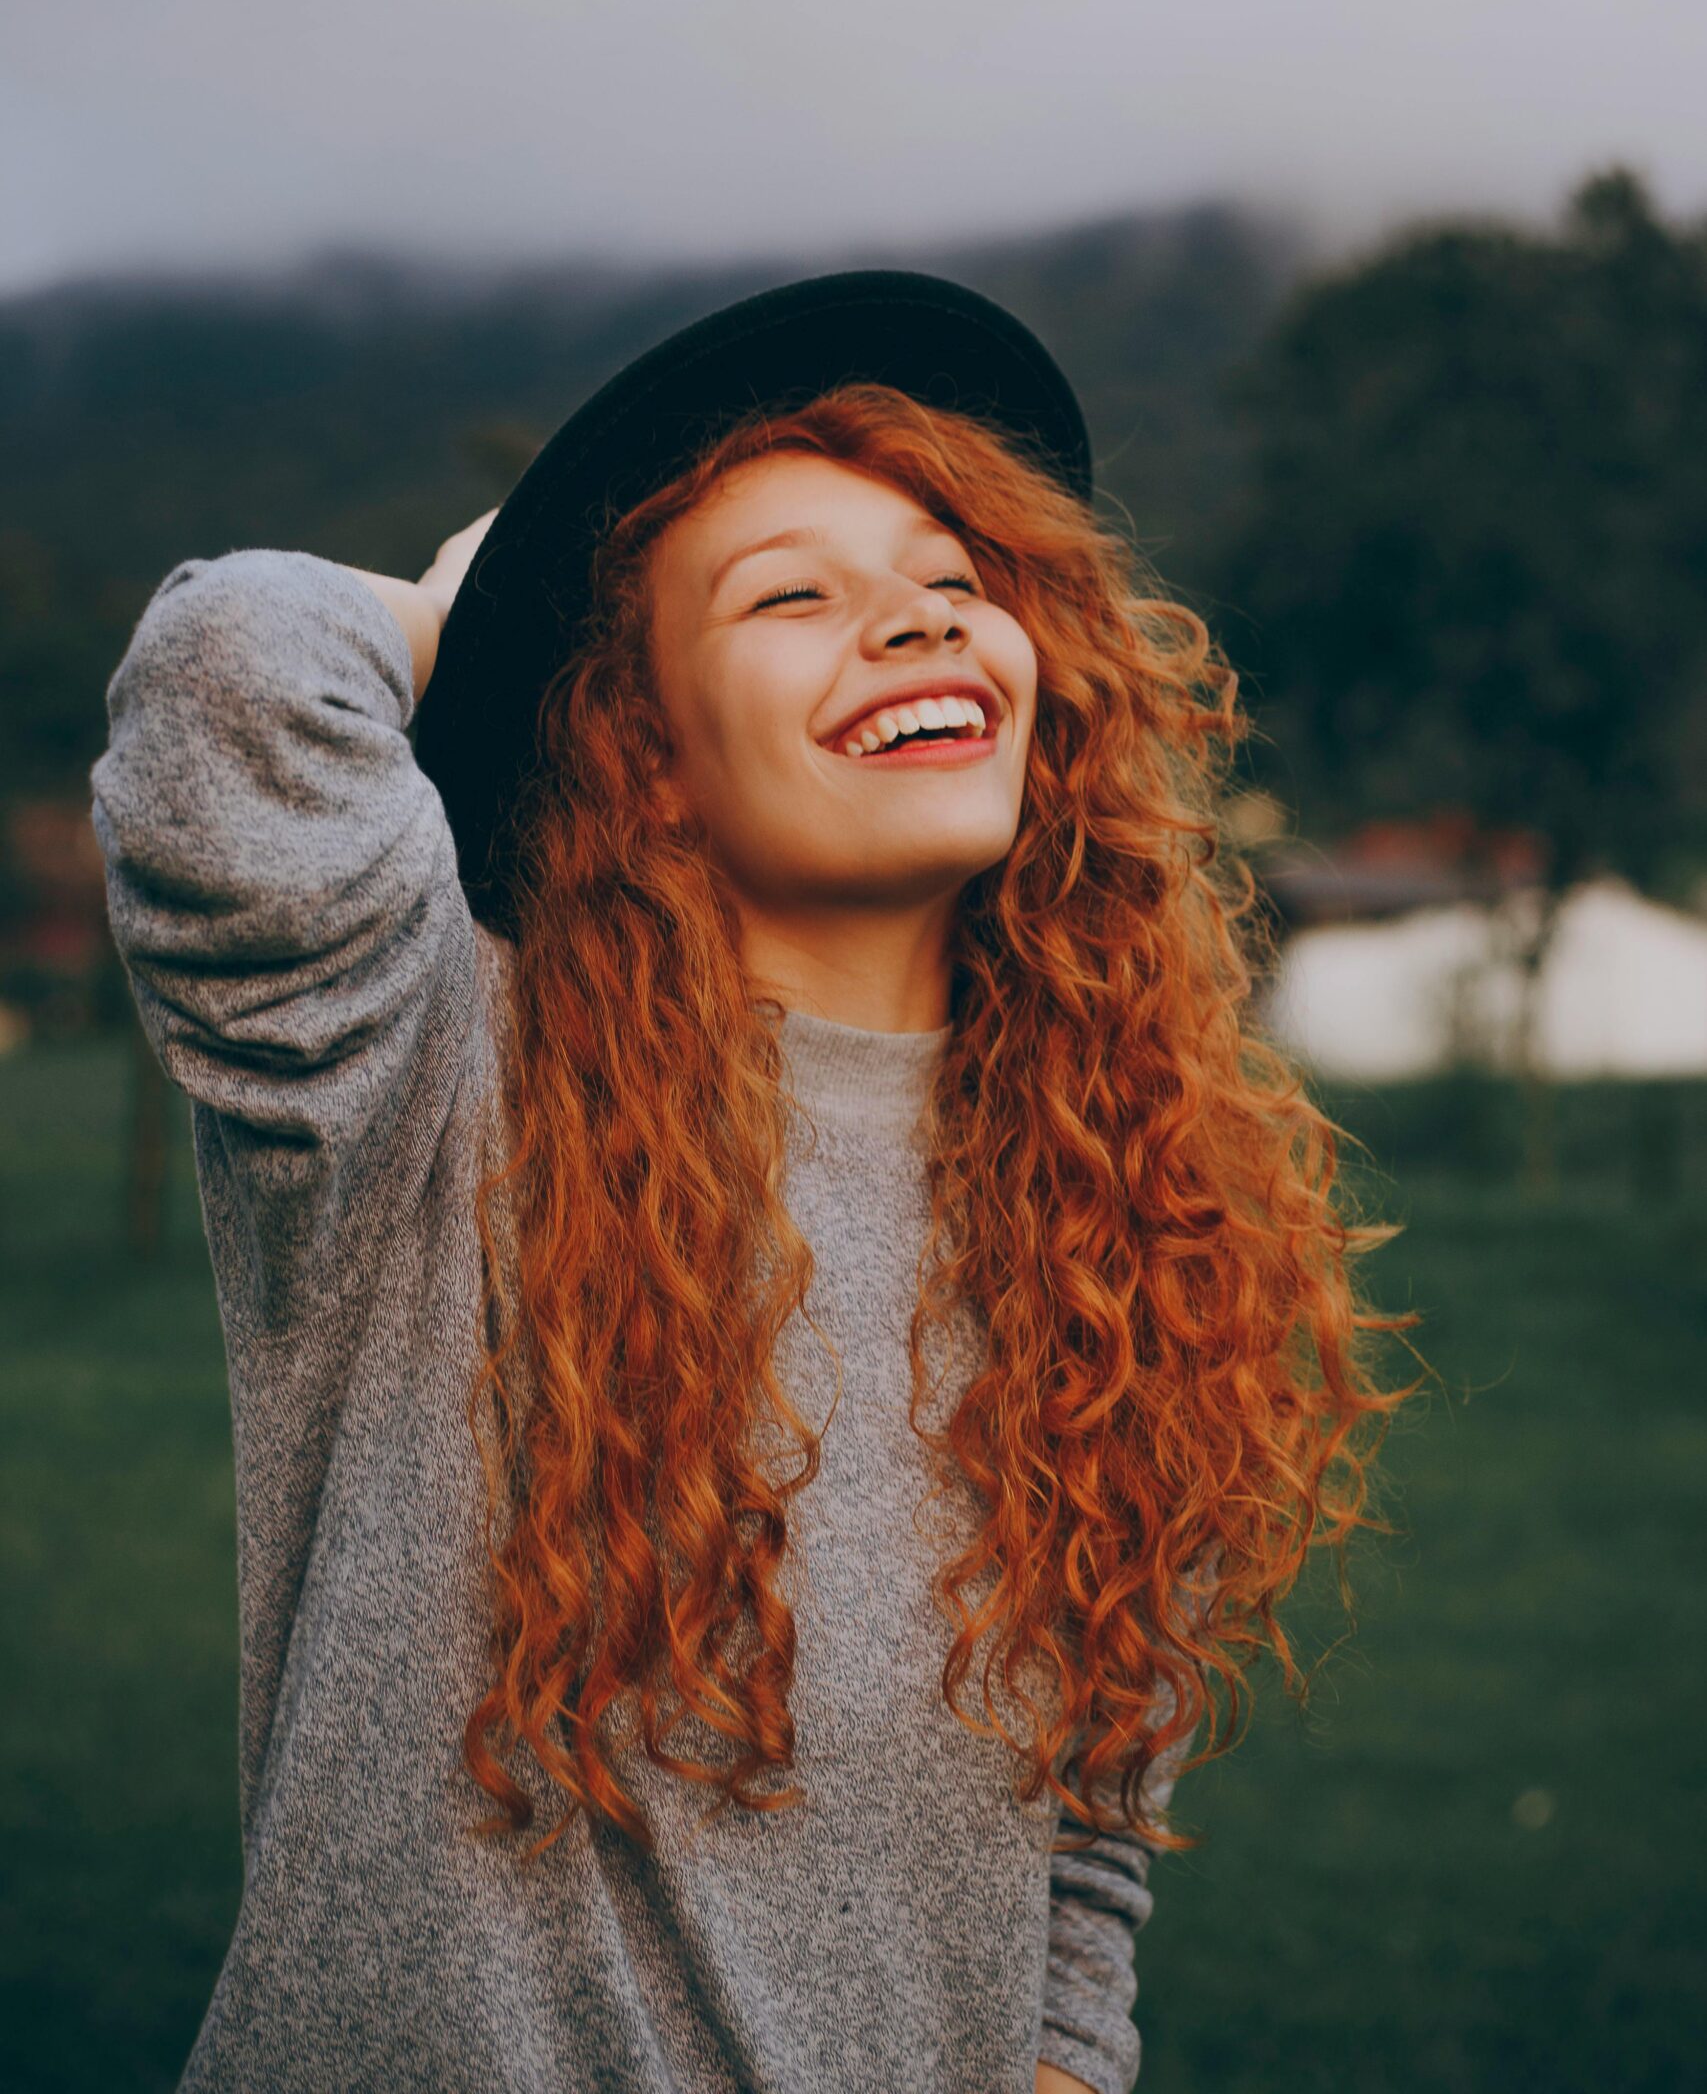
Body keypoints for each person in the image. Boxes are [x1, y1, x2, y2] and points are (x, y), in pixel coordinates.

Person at [92, 272, 1413, 2094]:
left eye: (959, 584)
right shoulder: (438, 1083)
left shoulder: (1123, 1227)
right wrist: (464, 612)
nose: (914, 622)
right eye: (792, 596)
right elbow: (220, 681)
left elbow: (1090, 1830)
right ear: (643, 750)